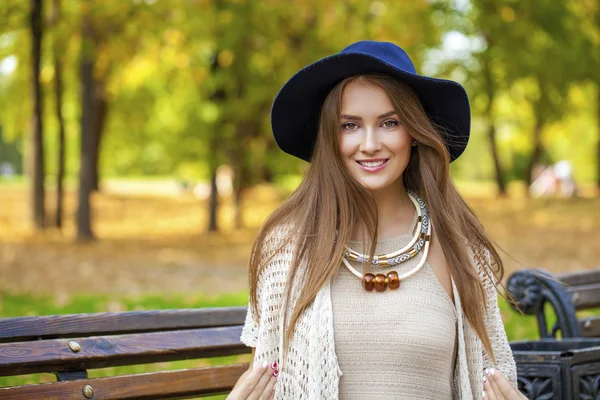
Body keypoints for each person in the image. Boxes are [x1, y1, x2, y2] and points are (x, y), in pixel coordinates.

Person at [227, 41, 526, 400]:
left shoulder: (458, 248)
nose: (369, 144)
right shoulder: (288, 247)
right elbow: (266, 379)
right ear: (329, 137)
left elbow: (492, 378)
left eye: (389, 123)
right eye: (350, 125)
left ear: (414, 132)